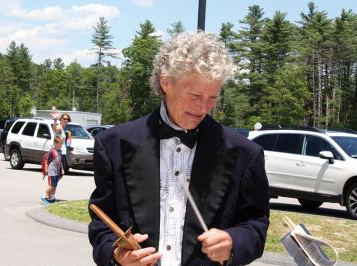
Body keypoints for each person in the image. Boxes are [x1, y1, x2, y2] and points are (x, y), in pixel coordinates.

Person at [88, 31, 270, 266]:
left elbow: (256, 225)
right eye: (195, 95)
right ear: (166, 82)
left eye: (212, 97)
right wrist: (117, 256)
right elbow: (101, 221)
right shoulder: (112, 145)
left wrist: (233, 242)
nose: (204, 107)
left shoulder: (246, 154)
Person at [41, 137, 64, 204]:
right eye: (60, 144)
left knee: (55, 185)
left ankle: (52, 198)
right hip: (51, 171)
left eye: (62, 144)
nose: (61, 145)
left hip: (57, 171)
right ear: (55, 143)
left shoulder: (60, 151)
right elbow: (46, 161)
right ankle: (44, 197)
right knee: (51, 185)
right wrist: (46, 169)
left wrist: (62, 169)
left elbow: (60, 161)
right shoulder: (52, 151)